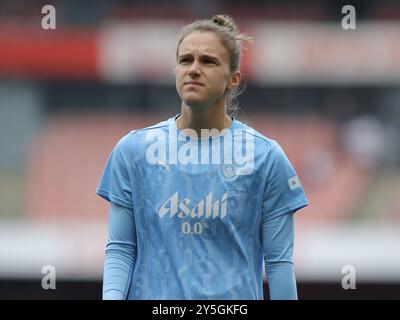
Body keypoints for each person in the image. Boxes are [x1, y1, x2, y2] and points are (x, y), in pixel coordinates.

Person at [96, 14, 308, 300]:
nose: (194, 69)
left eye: (208, 61)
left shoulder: (265, 158)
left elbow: (279, 264)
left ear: (233, 79)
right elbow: (121, 249)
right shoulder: (134, 151)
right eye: (185, 60)